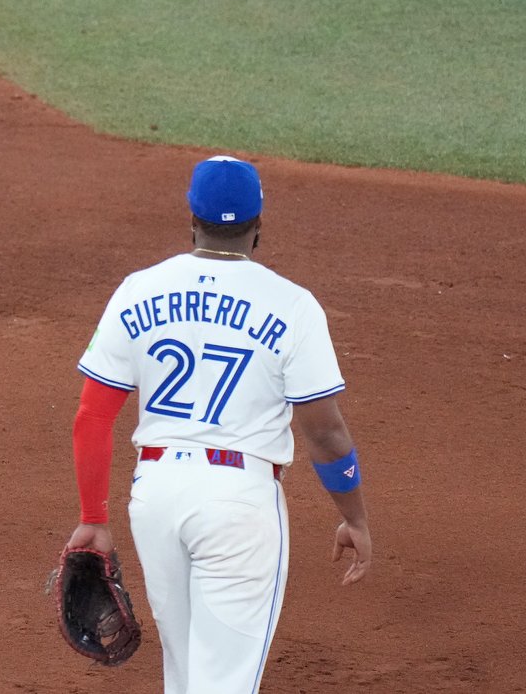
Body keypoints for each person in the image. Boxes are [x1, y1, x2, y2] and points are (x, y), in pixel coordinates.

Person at [64, 155, 372, 693]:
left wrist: (93, 517)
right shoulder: (293, 306)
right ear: (259, 226)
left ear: (192, 219)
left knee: (186, 676)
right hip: (239, 506)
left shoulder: (138, 289)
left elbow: (92, 416)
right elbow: (325, 434)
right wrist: (355, 518)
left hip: (156, 497)